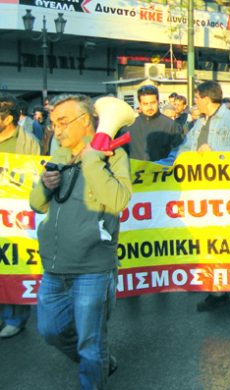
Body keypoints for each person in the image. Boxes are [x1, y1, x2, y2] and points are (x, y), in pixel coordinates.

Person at [29, 94, 132, 389]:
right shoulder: (58, 153)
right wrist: (44, 187)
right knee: (49, 330)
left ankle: (94, 367)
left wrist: (92, 161)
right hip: (54, 266)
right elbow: (37, 204)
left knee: (90, 341)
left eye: (63, 123)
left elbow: (117, 200)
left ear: (85, 120)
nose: (56, 130)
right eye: (53, 124)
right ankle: (99, 360)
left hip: (92, 268)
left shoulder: (115, 156)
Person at [159, 81, 230, 314]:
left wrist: (216, 154)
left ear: (206, 99)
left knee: (229, 243)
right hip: (201, 192)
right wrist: (174, 162)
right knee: (208, 242)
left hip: (225, 193)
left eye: (197, 98)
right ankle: (216, 291)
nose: (194, 102)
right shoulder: (199, 123)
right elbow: (185, 148)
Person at [0, 95, 41, 339]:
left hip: (14, 215)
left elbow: (33, 177)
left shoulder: (28, 143)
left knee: (12, 263)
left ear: (9, 119)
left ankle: (15, 318)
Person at [119, 85, 183, 162]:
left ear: (158, 101)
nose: (149, 107)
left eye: (153, 103)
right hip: (135, 172)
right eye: (145, 104)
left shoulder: (171, 125)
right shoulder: (129, 126)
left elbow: (178, 153)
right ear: (140, 104)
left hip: (162, 172)